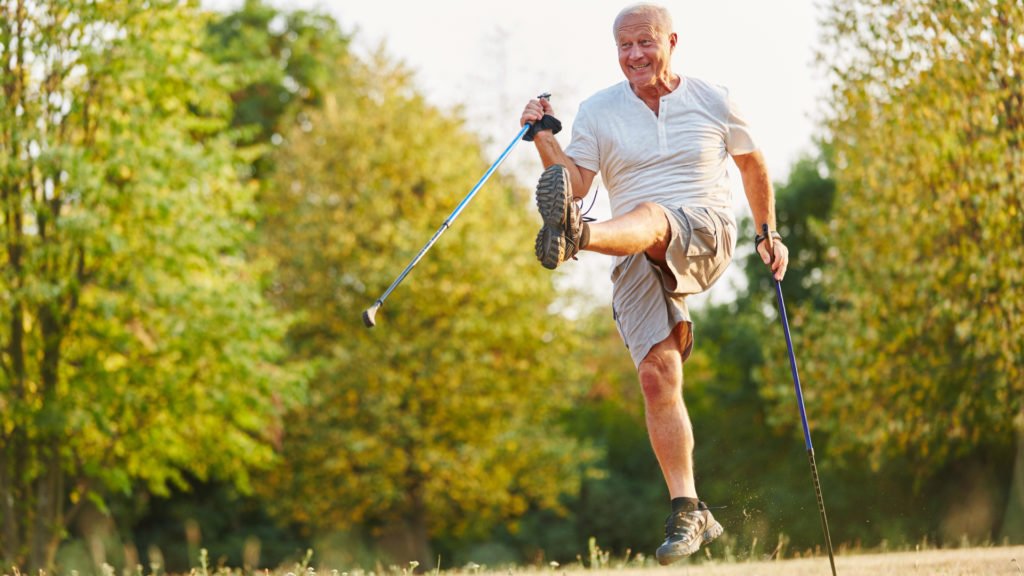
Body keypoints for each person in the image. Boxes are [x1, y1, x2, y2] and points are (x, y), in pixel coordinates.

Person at [519, 2, 789, 566]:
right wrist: (542, 133)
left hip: (704, 228)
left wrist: (769, 233)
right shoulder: (598, 110)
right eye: (624, 47)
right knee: (655, 374)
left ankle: (578, 239)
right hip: (633, 248)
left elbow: (753, 166)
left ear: (671, 41)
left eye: (645, 43)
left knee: (653, 213)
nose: (634, 55)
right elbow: (571, 181)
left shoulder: (714, 98)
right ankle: (690, 509)